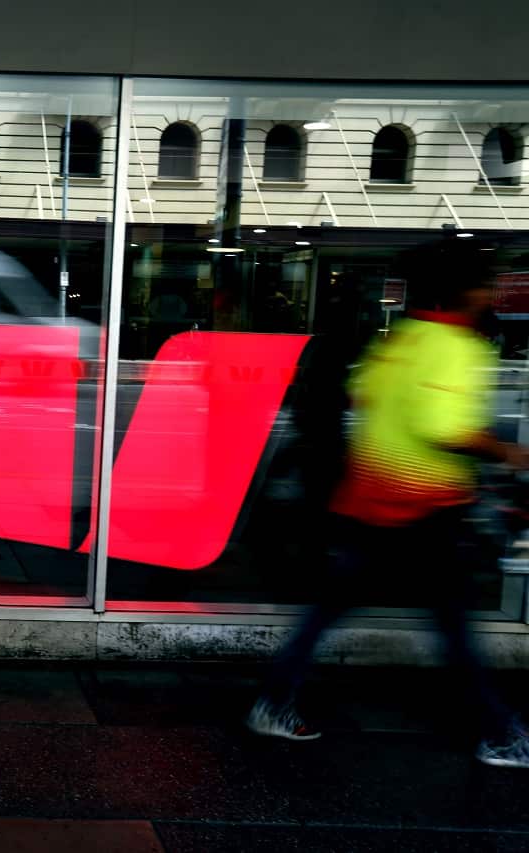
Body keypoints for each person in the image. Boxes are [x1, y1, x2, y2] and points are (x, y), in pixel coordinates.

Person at [247, 239, 529, 768]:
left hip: (370, 499)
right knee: (453, 623)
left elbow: (366, 396)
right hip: (425, 508)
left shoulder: (401, 339)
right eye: (487, 281)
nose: (492, 289)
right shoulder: (457, 346)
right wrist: (505, 449)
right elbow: (440, 427)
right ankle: (500, 733)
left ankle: (274, 702)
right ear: (467, 290)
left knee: (328, 611)